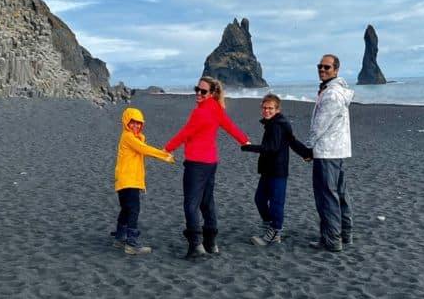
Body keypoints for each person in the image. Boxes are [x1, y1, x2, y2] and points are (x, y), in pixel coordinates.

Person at [165, 76, 250, 259]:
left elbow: (184, 133)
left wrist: (166, 150)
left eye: (203, 91)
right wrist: (245, 141)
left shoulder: (200, 112)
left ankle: (196, 245)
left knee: (191, 204)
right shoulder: (216, 108)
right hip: (211, 163)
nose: (198, 93)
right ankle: (211, 243)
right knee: (206, 202)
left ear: (212, 93)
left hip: (196, 164)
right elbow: (231, 127)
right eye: (197, 89)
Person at [241, 94, 311, 246]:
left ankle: (275, 232)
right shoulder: (276, 123)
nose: (266, 111)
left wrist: (249, 147)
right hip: (268, 169)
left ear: (277, 109)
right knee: (259, 199)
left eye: (270, 108)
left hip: (277, 170)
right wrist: (306, 153)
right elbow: (292, 141)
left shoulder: (277, 125)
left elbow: (271, 148)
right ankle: (270, 227)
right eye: (264, 108)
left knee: (276, 203)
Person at [306, 54, 354, 252]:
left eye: (327, 67)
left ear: (336, 70)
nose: (322, 70)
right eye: (320, 66)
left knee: (327, 196)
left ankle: (332, 239)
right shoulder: (332, 91)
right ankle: (344, 234)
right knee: (338, 193)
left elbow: (320, 124)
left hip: (327, 151)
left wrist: (309, 147)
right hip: (337, 150)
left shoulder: (332, 94)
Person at [112, 107, 175, 255]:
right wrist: (165, 156)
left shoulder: (130, 137)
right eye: (133, 122)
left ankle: (120, 237)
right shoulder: (128, 137)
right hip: (129, 180)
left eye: (139, 123)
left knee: (126, 209)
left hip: (124, 180)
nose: (136, 126)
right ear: (126, 123)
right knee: (133, 209)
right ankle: (131, 244)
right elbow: (144, 149)